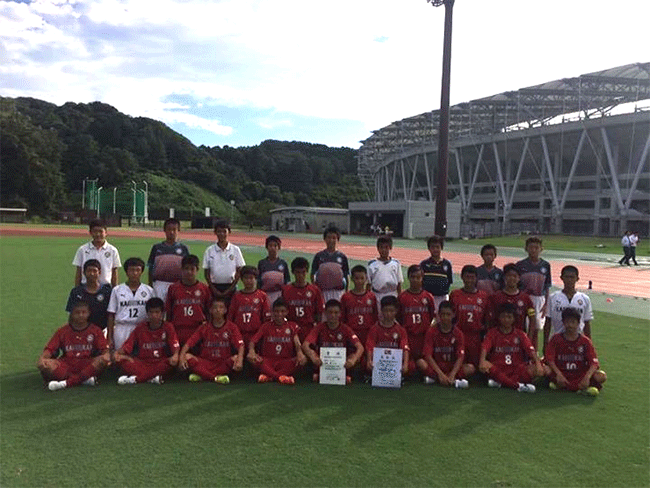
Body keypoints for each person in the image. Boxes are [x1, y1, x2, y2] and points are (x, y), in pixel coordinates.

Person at [37, 301, 110, 391]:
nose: (81, 315)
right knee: (47, 365)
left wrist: (106, 355)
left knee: (102, 360)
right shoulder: (63, 331)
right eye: (77, 313)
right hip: (67, 364)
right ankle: (83, 379)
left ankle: (66, 383)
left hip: (87, 363)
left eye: (84, 312)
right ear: (72, 314)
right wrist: (43, 358)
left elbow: (104, 351)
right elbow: (50, 349)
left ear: (89, 313)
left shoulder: (95, 330)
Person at [479, 302, 545, 393]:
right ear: (499, 318)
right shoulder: (492, 333)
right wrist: (482, 360)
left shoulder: (520, 334)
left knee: (540, 367)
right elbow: (485, 348)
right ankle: (517, 385)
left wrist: (537, 363)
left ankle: (501, 382)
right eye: (503, 317)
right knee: (486, 365)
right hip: (499, 369)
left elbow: (530, 350)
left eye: (509, 317)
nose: (506, 320)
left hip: (516, 370)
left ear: (514, 319)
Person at [179, 297, 245, 384]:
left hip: (223, 363)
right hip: (206, 362)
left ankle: (203, 375)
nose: (218, 310)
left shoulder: (231, 327)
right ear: (210, 310)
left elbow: (240, 346)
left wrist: (240, 360)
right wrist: (181, 357)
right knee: (187, 356)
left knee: (236, 358)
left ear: (225, 310)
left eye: (221, 307)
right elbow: (189, 343)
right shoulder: (204, 327)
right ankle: (215, 378)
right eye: (215, 307)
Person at [115, 298, 179, 385]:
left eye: (157, 312)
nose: (154, 315)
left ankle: (136, 379)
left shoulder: (168, 327)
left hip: (160, 362)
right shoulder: (141, 327)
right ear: (147, 313)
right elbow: (128, 345)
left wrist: (175, 355)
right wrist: (119, 354)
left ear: (162, 313)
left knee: (169, 363)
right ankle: (152, 378)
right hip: (142, 364)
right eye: (151, 312)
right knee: (123, 361)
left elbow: (174, 345)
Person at [545, 308, 606, 396]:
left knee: (601, 376)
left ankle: (562, 386)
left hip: (579, 375)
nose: (570, 325)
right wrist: (559, 374)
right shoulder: (556, 339)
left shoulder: (585, 341)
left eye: (573, 322)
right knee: (545, 370)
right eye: (567, 322)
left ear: (578, 323)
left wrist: (587, 377)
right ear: (563, 322)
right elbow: (549, 359)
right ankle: (577, 387)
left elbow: (594, 363)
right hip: (561, 373)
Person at [301, 299, 364, 384]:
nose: (333, 315)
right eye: (330, 312)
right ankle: (319, 373)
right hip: (323, 362)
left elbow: (360, 347)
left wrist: (353, 360)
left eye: (336, 313)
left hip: (341, 363)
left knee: (355, 357)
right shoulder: (319, 327)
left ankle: (345, 374)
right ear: (325, 313)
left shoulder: (345, 328)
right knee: (310, 355)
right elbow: (305, 345)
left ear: (340, 314)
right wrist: (314, 357)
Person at [247, 299, 307, 384]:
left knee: (301, 361)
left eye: (282, 311)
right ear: (272, 312)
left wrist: (300, 353)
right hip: (268, 360)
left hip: (285, 361)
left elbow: (297, 344)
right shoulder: (265, 326)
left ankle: (269, 376)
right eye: (276, 311)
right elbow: (253, 341)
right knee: (253, 359)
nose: (279, 314)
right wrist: (251, 351)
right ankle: (281, 377)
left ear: (287, 312)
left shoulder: (292, 326)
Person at [417, 301, 474, 388]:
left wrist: (453, 374)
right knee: (420, 362)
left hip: (451, 366)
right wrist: (440, 374)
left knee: (471, 368)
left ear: (453, 315)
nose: (445, 317)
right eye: (443, 314)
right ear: (439, 315)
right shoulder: (432, 331)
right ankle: (450, 381)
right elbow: (428, 355)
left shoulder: (458, 333)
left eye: (448, 314)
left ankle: (438, 379)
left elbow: (460, 357)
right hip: (437, 366)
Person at [107, 257, 156, 351]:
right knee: (120, 356)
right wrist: (109, 337)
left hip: (142, 328)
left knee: (141, 356)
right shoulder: (117, 290)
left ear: (142, 272)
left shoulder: (149, 291)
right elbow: (111, 314)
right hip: (122, 329)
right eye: (132, 270)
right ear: (126, 272)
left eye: (138, 270)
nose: (135, 273)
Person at [543, 265, 593, 353]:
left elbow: (586, 323)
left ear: (577, 279)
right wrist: (545, 342)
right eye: (567, 277)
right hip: (557, 340)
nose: (569, 280)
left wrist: (589, 344)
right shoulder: (553, 297)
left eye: (572, 277)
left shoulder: (584, 299)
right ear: (561, 278)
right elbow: (548, 321)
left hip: (578, 341)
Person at [165, 255, 212, 346]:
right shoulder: (173, 288)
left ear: (197, 270)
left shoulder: (204, 289)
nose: (189, 272)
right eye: (186, 269)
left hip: (198, 331)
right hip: (178, 331)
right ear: (181, 269)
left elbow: (209, 312)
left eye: (192, 269)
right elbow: (169, 313)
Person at [448, 265, 489, 368]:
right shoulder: (455, 294)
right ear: (462, 277)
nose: (469, 280)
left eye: (472, 277)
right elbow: (450, 316)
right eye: (467, 277)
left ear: (476, 278)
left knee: (475, 367)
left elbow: (486, 318)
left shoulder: (483, 296)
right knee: (456, 363)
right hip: (459, 333)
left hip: (476, 336)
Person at [487, 263, 537, 345]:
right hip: (499, 340)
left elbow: (532, 318)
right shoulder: (495, 297)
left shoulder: (525, 298)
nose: (512, 278)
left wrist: (529, 338)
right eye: (509, 276)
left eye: (514, 276)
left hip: (519, 340)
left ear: (519, 278)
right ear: (504, 278)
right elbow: (489, 320)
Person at [516, 236, 551, 351]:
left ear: (541, 249)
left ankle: (533, 352)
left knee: (535, 329)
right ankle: (522, 351)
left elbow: (547, 286)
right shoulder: (520, 265)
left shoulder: (545, 265)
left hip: (539, 299)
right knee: (523, 327)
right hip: (524, 299)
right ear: (526, 249)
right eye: (531, 247)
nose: (534, 250)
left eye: (536, 247)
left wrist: (546, 304)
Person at [398, 265, 435, 371]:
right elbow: (399, 316)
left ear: (422, 278)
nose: (415, 280)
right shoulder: (402, 297)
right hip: (408, 335)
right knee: (410, 366)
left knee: (424, 363)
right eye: (413, 277)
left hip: (424, 336)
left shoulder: (428, 297)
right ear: (408, 278)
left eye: (418, 277)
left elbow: (432, 314)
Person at [147, 218, 190, 303]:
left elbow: (187, 268)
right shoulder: (157, 248)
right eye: (169, 229)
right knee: (160, 309)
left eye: (174, 230)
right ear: (164, 230)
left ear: (178, 230)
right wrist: (151, 285)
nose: (172, 232)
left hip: (177, 283)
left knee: (176, 308)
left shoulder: (183, 248)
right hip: (159, 284)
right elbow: (150, 267)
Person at [282, 257, 325, 343]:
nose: (300, 275)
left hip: (308, 328)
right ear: (293, 272)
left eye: (303, 272)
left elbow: (319, 312)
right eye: (298, 272)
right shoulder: (286, 290)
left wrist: (317, 330)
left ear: (307, 272)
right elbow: (282, 311)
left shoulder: (314, 290)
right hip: (291, 328)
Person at [202, 219, 245, 304]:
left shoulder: (235, 250)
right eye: (219, 231)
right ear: (215, 232)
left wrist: (230, 289)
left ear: (229, 232)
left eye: (224, 231)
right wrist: (213, 289)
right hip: (214, 287)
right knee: (215, 312)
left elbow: (239, 271)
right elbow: (206, 272)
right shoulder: (209, 250)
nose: (221, 234)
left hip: (231, 287)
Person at [365, 296, 409, 377]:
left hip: (394, 362)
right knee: (364, 363)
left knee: (411, 366)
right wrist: (369, 361)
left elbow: (405, 348)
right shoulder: (374, 329)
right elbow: (370, 346)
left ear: (396, 311)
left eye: (391, 311)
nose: (388, 314)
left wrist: (405, 365)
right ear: (381, 311)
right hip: (379, 361)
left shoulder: (401, 330)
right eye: (386, 311)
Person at [228, 265, 271, 348]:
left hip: (256, 335)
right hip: (239, 334)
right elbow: (231, 317)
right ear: (242, 279)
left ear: (256, 279)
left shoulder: (262, 296)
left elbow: (266, 319)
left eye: (251, 278)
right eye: (246, 278)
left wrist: (260, 335)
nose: (248, 281)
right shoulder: (237, 296)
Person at [72, 219, 121, 287]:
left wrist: (115, 290)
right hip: (86, 287)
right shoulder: (82, 250)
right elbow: (79, 272)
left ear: (106, 232)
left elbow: (114, 272)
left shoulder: (112, 250)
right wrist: (76, 290)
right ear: (90, 232)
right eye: (95, 231)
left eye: (101, 231)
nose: (98, 234)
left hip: (105, 287)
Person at [65, 259, 112, 330]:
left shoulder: (107, 292)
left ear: (99, 272)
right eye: (89, 271)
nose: (92, 273)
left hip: (102, 331)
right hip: (82, 331)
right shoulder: (77, 291)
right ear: (84, 273)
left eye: (94, 271)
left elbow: (111, 315)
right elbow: (72, 314)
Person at [340, 265, 377, 348]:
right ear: (352, 279)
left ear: (366, 279)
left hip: (368, 332)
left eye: (362, 278)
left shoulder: (371, 296)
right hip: (351, 332)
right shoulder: (346, 297)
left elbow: (375, 316)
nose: (359, 281)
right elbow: (342, 317)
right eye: (356, 278)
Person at [311, 226, 350, 302]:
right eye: (328, 237)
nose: (331, 240)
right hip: (323, 292)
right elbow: (313, 274)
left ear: (337, 239)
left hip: (338, 292)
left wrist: (347, 291)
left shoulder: (342, 257)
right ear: (325, 239)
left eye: (334, 238)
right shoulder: (319, 256)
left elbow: (346, 275)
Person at [367, 235, 403, 306]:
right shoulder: (372, 264)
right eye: (381, 247)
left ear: (390, 248)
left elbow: (399, 283)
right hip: (377, 295)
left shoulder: (396, 264)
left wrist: (399, 297)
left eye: (386, 247)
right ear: (378, 248)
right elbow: (369, 284)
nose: (384, 250)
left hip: (392, 294)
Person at [419, 235, 453, 311]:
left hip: (442, 297)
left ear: (441, 248)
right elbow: (420, 281)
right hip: (427, 297)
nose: (435, 250)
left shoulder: (447, 264)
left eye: (437, 247)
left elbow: (449, 281)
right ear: (429, 249)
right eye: (433, 247)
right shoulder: (424, 264)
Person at [257, 235, 291, 306]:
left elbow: (287, 280)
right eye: (270, 246)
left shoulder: (283, 263)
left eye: (275, 246)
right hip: (265, 294)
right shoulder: (262, 263)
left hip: (279, 294)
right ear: (267, 247)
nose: (272, 248)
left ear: (279, 247)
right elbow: (258, 281)